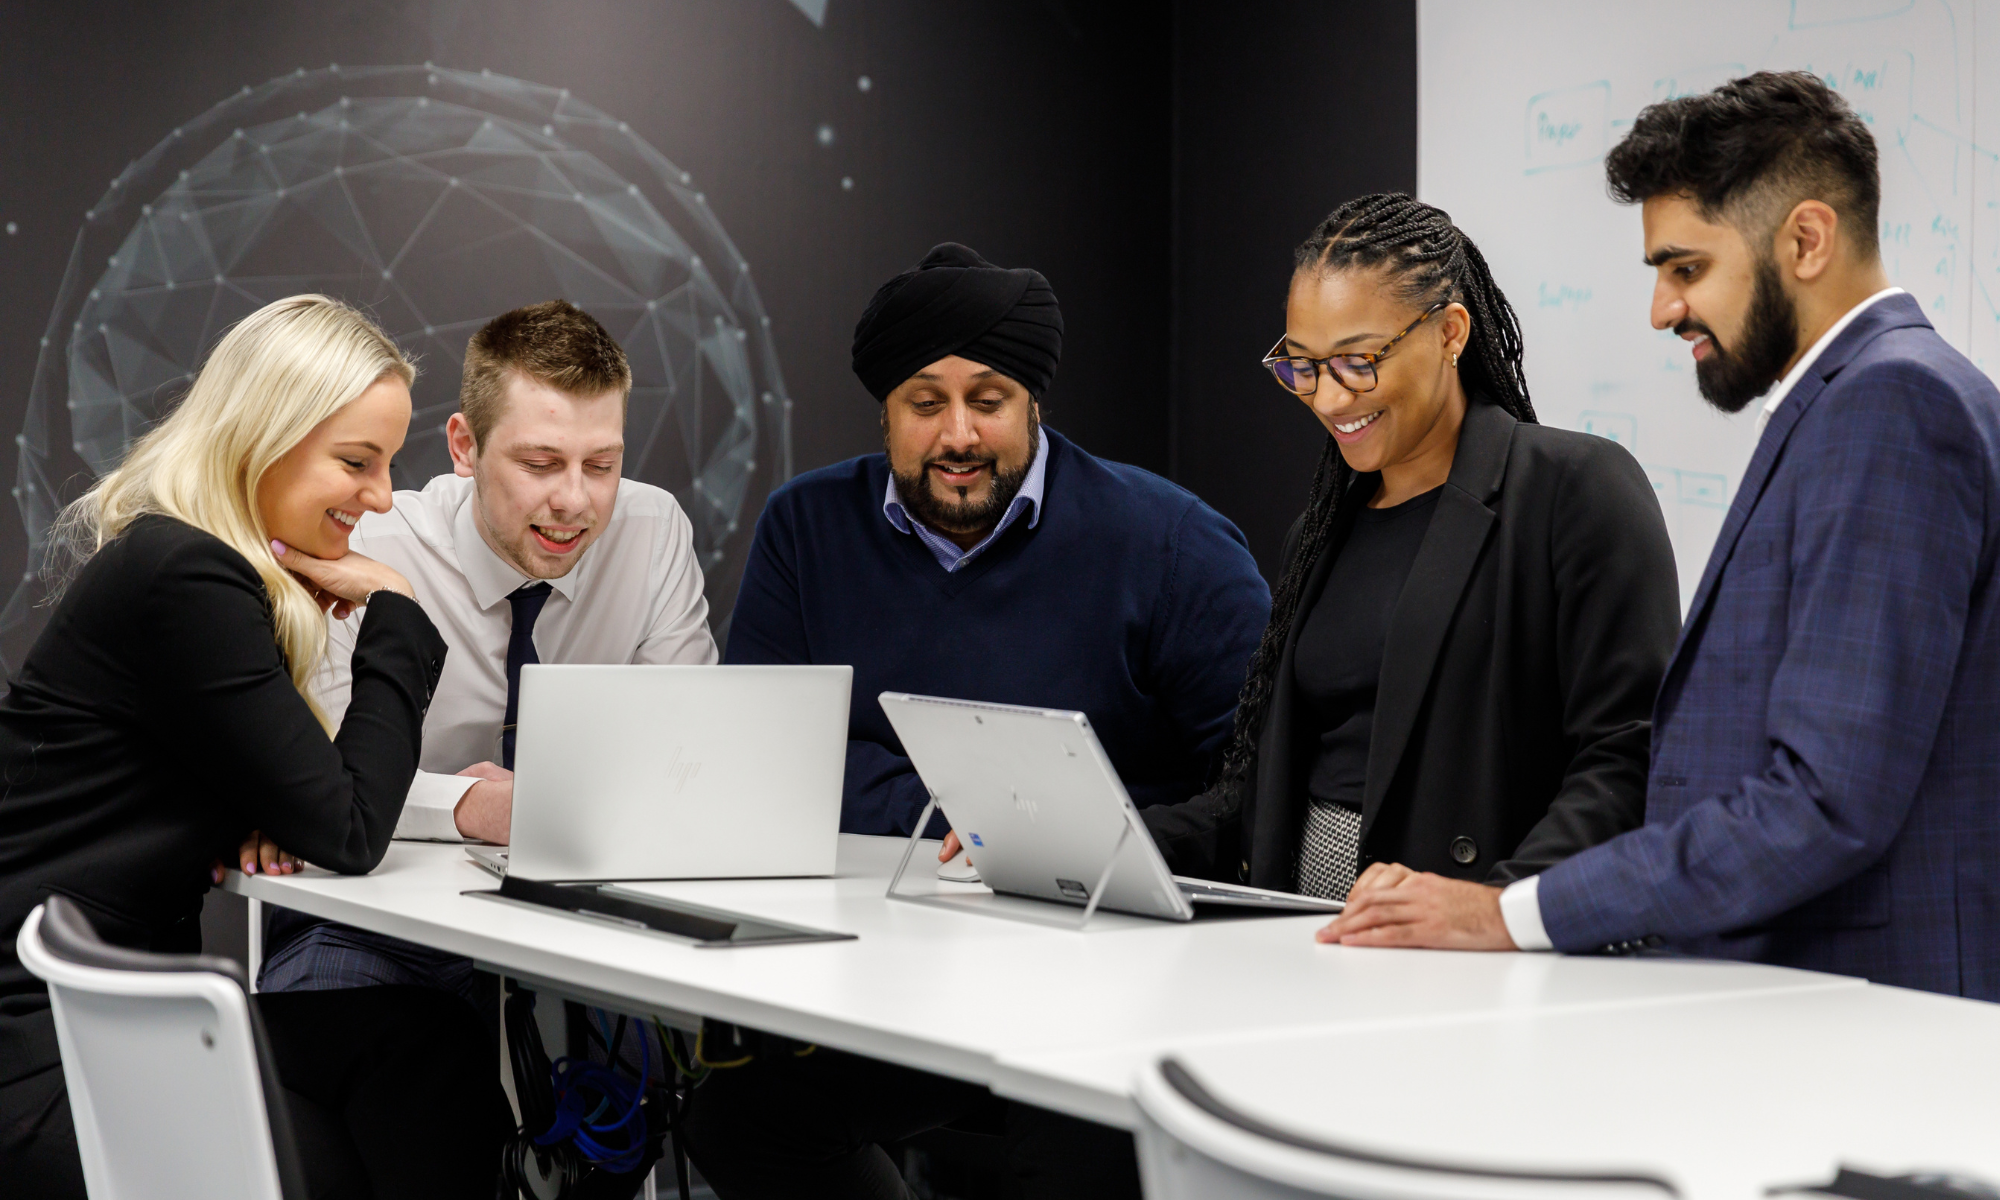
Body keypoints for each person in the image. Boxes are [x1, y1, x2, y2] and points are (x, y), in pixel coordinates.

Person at [1326, 71, 2000, 1002]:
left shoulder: (1893, 404)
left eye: (1687, 268)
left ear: (1806, 239)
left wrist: (1507, 913)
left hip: (1863, 1012)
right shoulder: (1857, 400)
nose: (1663, 309)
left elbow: (1825, 802)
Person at [683, 243, 1272, 1199]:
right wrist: (953, 812)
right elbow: (764, 747)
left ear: (1033, 402)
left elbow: (1257, 773)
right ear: (887, 411)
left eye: (988, 400)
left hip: (1109, 970)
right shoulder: (807, 528)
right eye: (926, 403)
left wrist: (1059, 828)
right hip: (894, 959)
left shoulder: (1171, 542)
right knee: (743, 1122)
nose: (958, 434)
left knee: (1066, 1158)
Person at [0, 295, 505, 1197]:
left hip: (109, 1024)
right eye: (357, 462)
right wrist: (398, 610)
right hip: (53, 1056)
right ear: (259, 437)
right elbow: (349, 830)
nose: (383, 497)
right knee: (413, 1078)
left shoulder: (182, 567)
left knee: (424, 1044)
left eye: (388, 465)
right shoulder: (186, 574)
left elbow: (314, 808)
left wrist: (263, 802)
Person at [1138, 194, 1679, 932]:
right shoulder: (1320, 535)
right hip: (1305, 947)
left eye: (1359, 362)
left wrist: (1497, 909)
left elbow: (1628, 757)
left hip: (1479, 959)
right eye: (1302, 366)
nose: (1328, 398)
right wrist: (1095, 843)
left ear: (1451, 332)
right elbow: (1254, 797)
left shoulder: (1574, 491)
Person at [258, 299, 716, 1008]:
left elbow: (689, 763)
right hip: (375, 916)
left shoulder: (653, 533)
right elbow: (317, 788)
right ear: (464, 446)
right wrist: (476, 805)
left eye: (602, 465)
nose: (575, 501)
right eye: (540, 463)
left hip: (595, 913)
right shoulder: (366, 548)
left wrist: (551, 809)